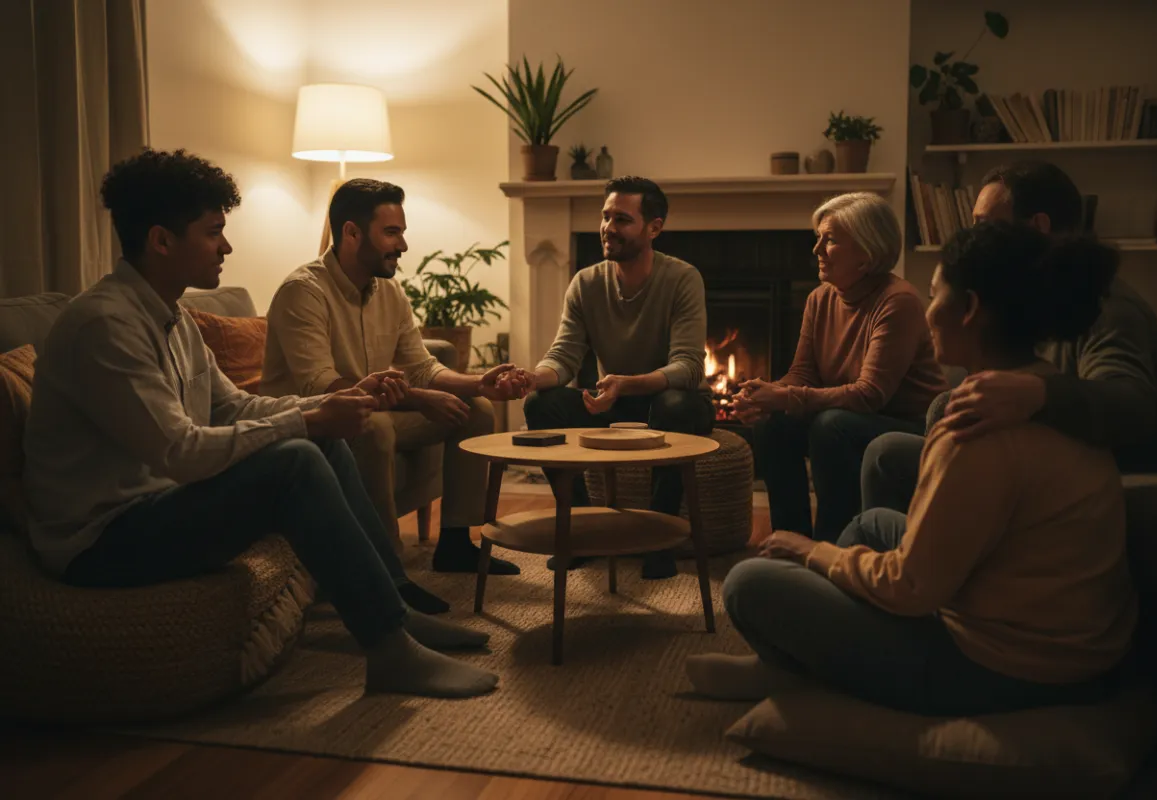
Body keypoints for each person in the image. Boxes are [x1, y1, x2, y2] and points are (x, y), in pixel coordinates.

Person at [23, 149, 497, 698]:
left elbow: (235, 407)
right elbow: (183, 452)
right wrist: (305, 418)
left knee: (317, 440)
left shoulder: (171, 319)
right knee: (295, 457)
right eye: (213, 232)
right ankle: (390, 651)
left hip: (154, 506)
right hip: (102, 540)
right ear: (161, 240)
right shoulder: (105, 326)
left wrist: (319, 416)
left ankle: (393, 610)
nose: (227, 246)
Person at [688, 221, 1137, 716]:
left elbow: (909, 588)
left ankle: (796, 666)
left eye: (935, 295)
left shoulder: (973, 428)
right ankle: (794, 662)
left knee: (748, 583)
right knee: (869, 524)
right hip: (1067, 639)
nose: (927, 312)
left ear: (967, 310)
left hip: (1004, 666)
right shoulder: (1046, 392)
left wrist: (811, 550)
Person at [261, 178, 532, 598]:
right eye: (392, 232)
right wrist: (421, 399)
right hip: (314, 422)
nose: (403, 245)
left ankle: (458, 544)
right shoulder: (304, 292)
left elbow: (421, 367)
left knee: (474, 409)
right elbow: (326, 387)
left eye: (401, 232)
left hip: (371, 408)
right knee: (373, 428)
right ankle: (387, 572)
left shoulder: (388, 289)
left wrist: (479, 383)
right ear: (352, 233)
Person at [863, 161, 1157, 515]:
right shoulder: (1036, 298)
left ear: (1038, 227)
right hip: (1031, 459)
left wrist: (1035, 393)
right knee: (903, 441)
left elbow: (1132, 406)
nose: (975, 236)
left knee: (883, 462)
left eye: (984, 224)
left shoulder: (1106, 308)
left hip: (1083, 483)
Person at [522, 176, 713, 580]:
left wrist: (627, 382)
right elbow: (564, 357)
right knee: (540, 404)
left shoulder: (683, 278)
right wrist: (529, 378)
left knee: (677, 404)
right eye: (606, 217)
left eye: (622, 219)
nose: (609, 228)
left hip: (665, 401)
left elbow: (689, 367)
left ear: (653, 228)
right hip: (613, 399)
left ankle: (658, 539)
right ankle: (578, 527)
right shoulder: (586, 283)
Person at [730, 192, 945, 541]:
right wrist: (765, 398)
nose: (816, 250)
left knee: (832, 426)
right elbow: (803, 373)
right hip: (847, 413)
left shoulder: (898, 301)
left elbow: (870, 395)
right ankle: (791, 540)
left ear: (867, 253)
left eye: (829, 240)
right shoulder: (821, 298)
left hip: (906, 423)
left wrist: (785, 398)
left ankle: (834, 544)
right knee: (773, 425)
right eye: (818, 238)